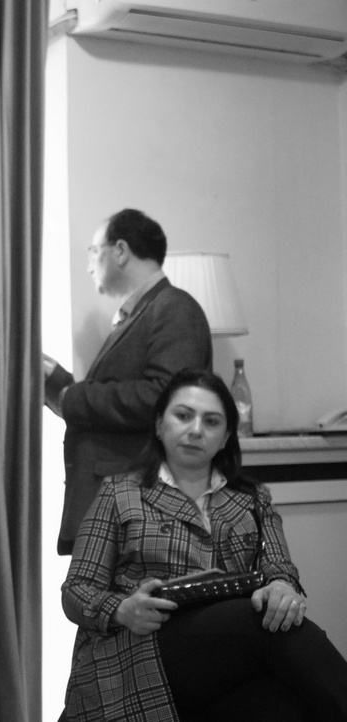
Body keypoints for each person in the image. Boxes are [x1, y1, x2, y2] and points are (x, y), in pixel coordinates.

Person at [60, 368, 347, 722]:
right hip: (135, 651)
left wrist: (282, 587)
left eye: (211, 422)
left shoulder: (252, 499)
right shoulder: (119, 493)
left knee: (282, 705)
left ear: (226, 437)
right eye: (183, 416)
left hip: (222, 660)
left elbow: (279, 567)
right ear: (159, 425)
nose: (196, 430)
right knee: (264, 624)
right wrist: (122, 609)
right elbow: (76, 590)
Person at [44, 208, 212, 555]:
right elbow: (116, 403)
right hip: (116, 505)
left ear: (120, 251)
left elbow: (163, 400)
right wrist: (58, 384)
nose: (89, 266)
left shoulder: (174, 309)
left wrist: (73, 396)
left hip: (140, 512)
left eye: (94, 252)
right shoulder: (139, 313)